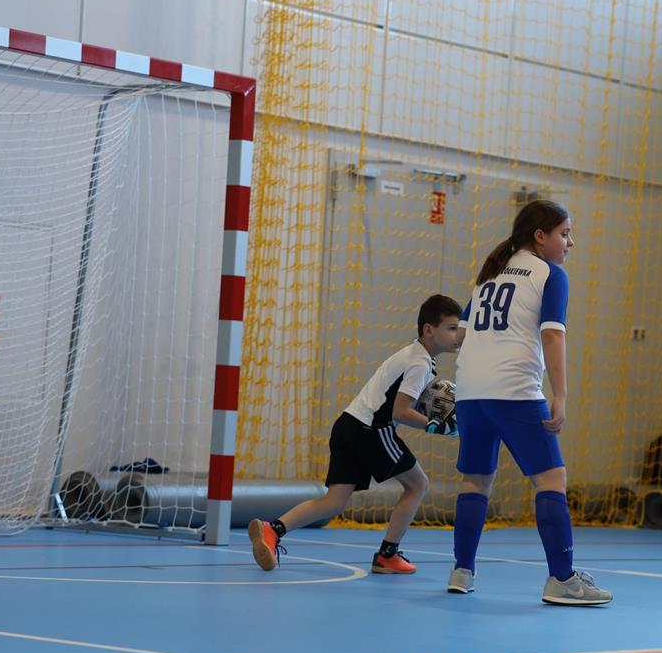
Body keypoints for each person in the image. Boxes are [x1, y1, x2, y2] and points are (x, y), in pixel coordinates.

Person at [447, 199, 611, 605]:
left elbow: (459, 336)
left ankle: (462, 571)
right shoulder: (550, 275)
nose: (570, 242)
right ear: (540, 236)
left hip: (470, 392)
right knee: (551, 480)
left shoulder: (490, 274)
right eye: (565, 234)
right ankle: (562, 579)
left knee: (475, 481)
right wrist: (561, 394)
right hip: (515, 391)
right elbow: (552, 335)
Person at [247, 294, 462, 574]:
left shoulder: (414, 355)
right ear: (429, 330)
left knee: (334, 501)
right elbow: (400, 412)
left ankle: (272, 529)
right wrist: (437, 426)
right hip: (370, 430)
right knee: (418, 484)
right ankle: (387, 555)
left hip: (348, 425)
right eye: (452, 328)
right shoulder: (420, 363)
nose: (458, 335)